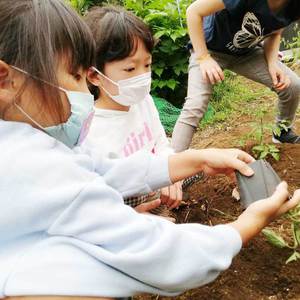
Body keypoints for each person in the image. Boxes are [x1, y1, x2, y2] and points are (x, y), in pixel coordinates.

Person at [0, 1, 299, 300]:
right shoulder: (39, 170)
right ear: (5, 79)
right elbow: (156, 254)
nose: (82, 93)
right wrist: (245, 226)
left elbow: (102, 169)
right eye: (75, 77)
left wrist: (195, 159)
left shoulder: (30, 143)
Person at [83, 6, 186, 213]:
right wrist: (134, 217)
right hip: (123, 209)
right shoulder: (90, 131)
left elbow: (161, 143)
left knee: (194, 164)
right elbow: (98, 201)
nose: (141, 76)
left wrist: (170, 175)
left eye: (147, 65)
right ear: (95, 76)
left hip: (155, 190)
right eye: (130, 69)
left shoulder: (143, 101)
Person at [171, 0, 300, 152]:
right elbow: (193, 11)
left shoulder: (293, 6)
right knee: (195, 104)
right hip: (210, 51)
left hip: (247, 52)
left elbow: (275, 33)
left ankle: (282, 132)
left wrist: (272, 63)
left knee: (292, 85)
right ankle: (173, 161)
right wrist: (203, 57)